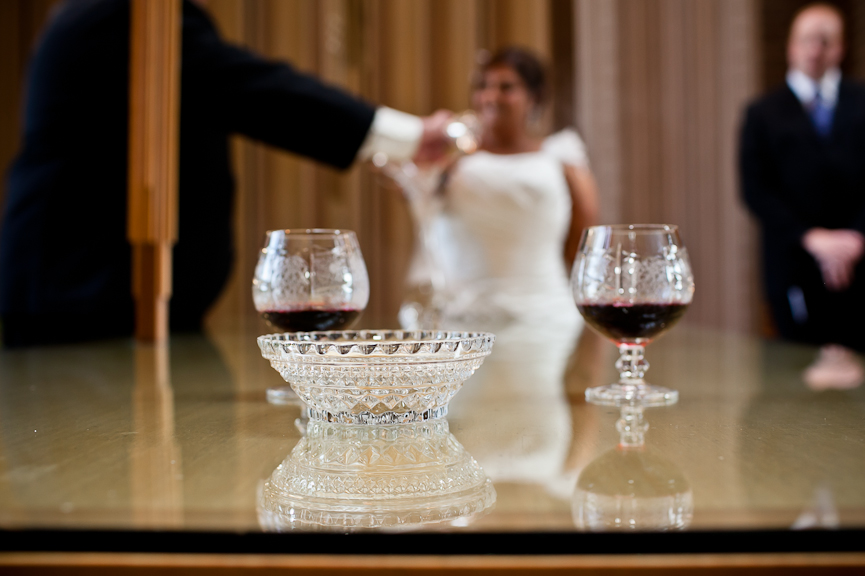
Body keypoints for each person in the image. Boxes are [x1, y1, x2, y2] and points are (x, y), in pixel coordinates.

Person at [0, 0, 451, 347]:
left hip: (98, 300)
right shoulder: (124, 14)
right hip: (81, 301)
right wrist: (410, 137)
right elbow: (252, 89)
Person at [739, 3, 865, 360]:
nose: (815, 50)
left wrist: (854, 239)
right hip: (795, 267)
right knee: (794, 386)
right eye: (806, 40)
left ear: (840, 48)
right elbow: (755, 190)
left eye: (824, 41)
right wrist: (814, 239)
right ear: (791, 47)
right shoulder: (762, 113)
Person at [401, 46, 599, 332]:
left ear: (534, 97)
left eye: (506, 87)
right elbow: (410, 192)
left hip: (546, 318)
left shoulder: (561, 158)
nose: (491, 96)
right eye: (483, 86)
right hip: (460, 323)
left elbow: (583, 245)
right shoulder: (452, 162)